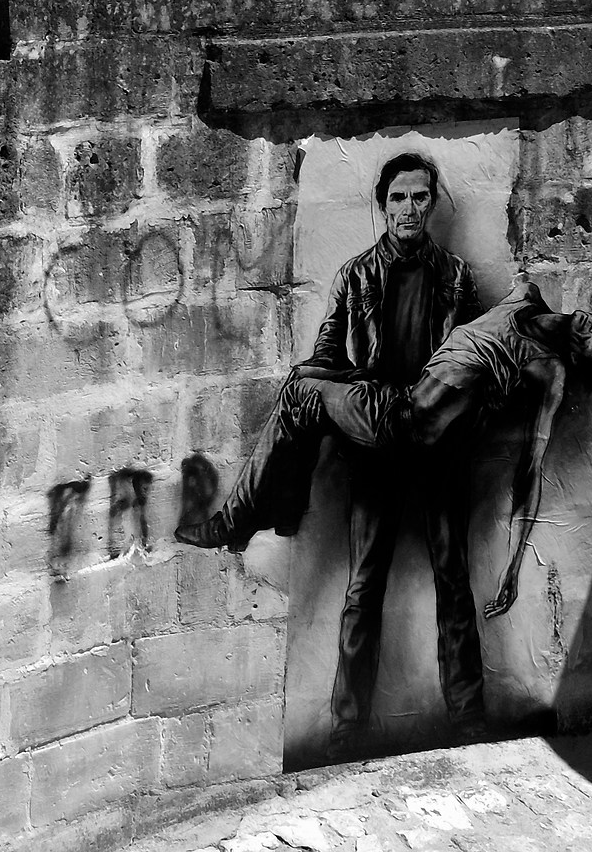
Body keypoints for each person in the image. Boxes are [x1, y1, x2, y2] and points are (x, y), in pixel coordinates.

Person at [193, 152, 478, 759]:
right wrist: (336, 388)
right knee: (364, 584)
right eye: (397, 198)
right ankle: (350, 727)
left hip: (433, 442)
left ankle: (469, 715)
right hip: (375, 439)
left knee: (453, 577)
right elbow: (328, 354)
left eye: (420, 197)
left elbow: (467, 370)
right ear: (383, 205)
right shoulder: (355, 275)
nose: (409, 209)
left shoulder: (456, 276)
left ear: (432, 202)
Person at [178, 279, 592, 628]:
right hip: (398, 398)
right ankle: (282, 510)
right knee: (306, 372)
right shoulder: (525, 295)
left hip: (403, 430)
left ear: (579, 357)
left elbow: (531, 469)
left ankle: (235, 522)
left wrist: (511, 570)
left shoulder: (549, 370)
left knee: (299, 395)